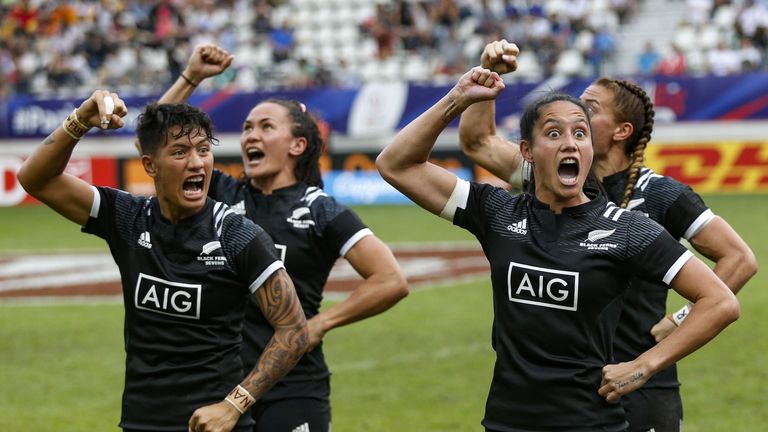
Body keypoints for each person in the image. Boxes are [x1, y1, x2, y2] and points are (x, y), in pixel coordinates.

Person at [375, 66, 740, 431]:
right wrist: (458, 97)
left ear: (591, 147)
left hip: (591, 422)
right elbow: (397, 164)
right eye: (554, 133)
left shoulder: (627, 228)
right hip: (506, 422)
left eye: (580, 132)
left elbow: (720, 301)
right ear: (527, 151)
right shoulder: (497, 211)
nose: (570, 142)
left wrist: (644, 365)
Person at [459, 40, 758, 431]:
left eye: (591, 110)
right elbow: (477, 142)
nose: (577, 112)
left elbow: (740, 259)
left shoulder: (661, 194)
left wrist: (678, 320)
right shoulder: (547, 177)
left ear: (622, 131)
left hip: (642, 383)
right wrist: (488, 74)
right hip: (576, 394)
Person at [16, 92, 310, 432]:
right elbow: (34, 179)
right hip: (141, 422)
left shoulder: (238, 236)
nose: (197, 163)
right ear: (150, 166)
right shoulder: (128, 218)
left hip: (216, 425)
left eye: (203, 150)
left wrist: (233, 406)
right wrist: (80, 119)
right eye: (180, 152)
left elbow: (294, 329)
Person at [156, 44, 409, 432]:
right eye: (246, 128)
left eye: (265, 127)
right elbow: (158, 141)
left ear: (297, 145)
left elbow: (391, 279)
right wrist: (191, 78)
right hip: (219, 386)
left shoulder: (321, 209)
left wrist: (319, 325)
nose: (250, 136)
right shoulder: (221, 193)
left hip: (293, 387)